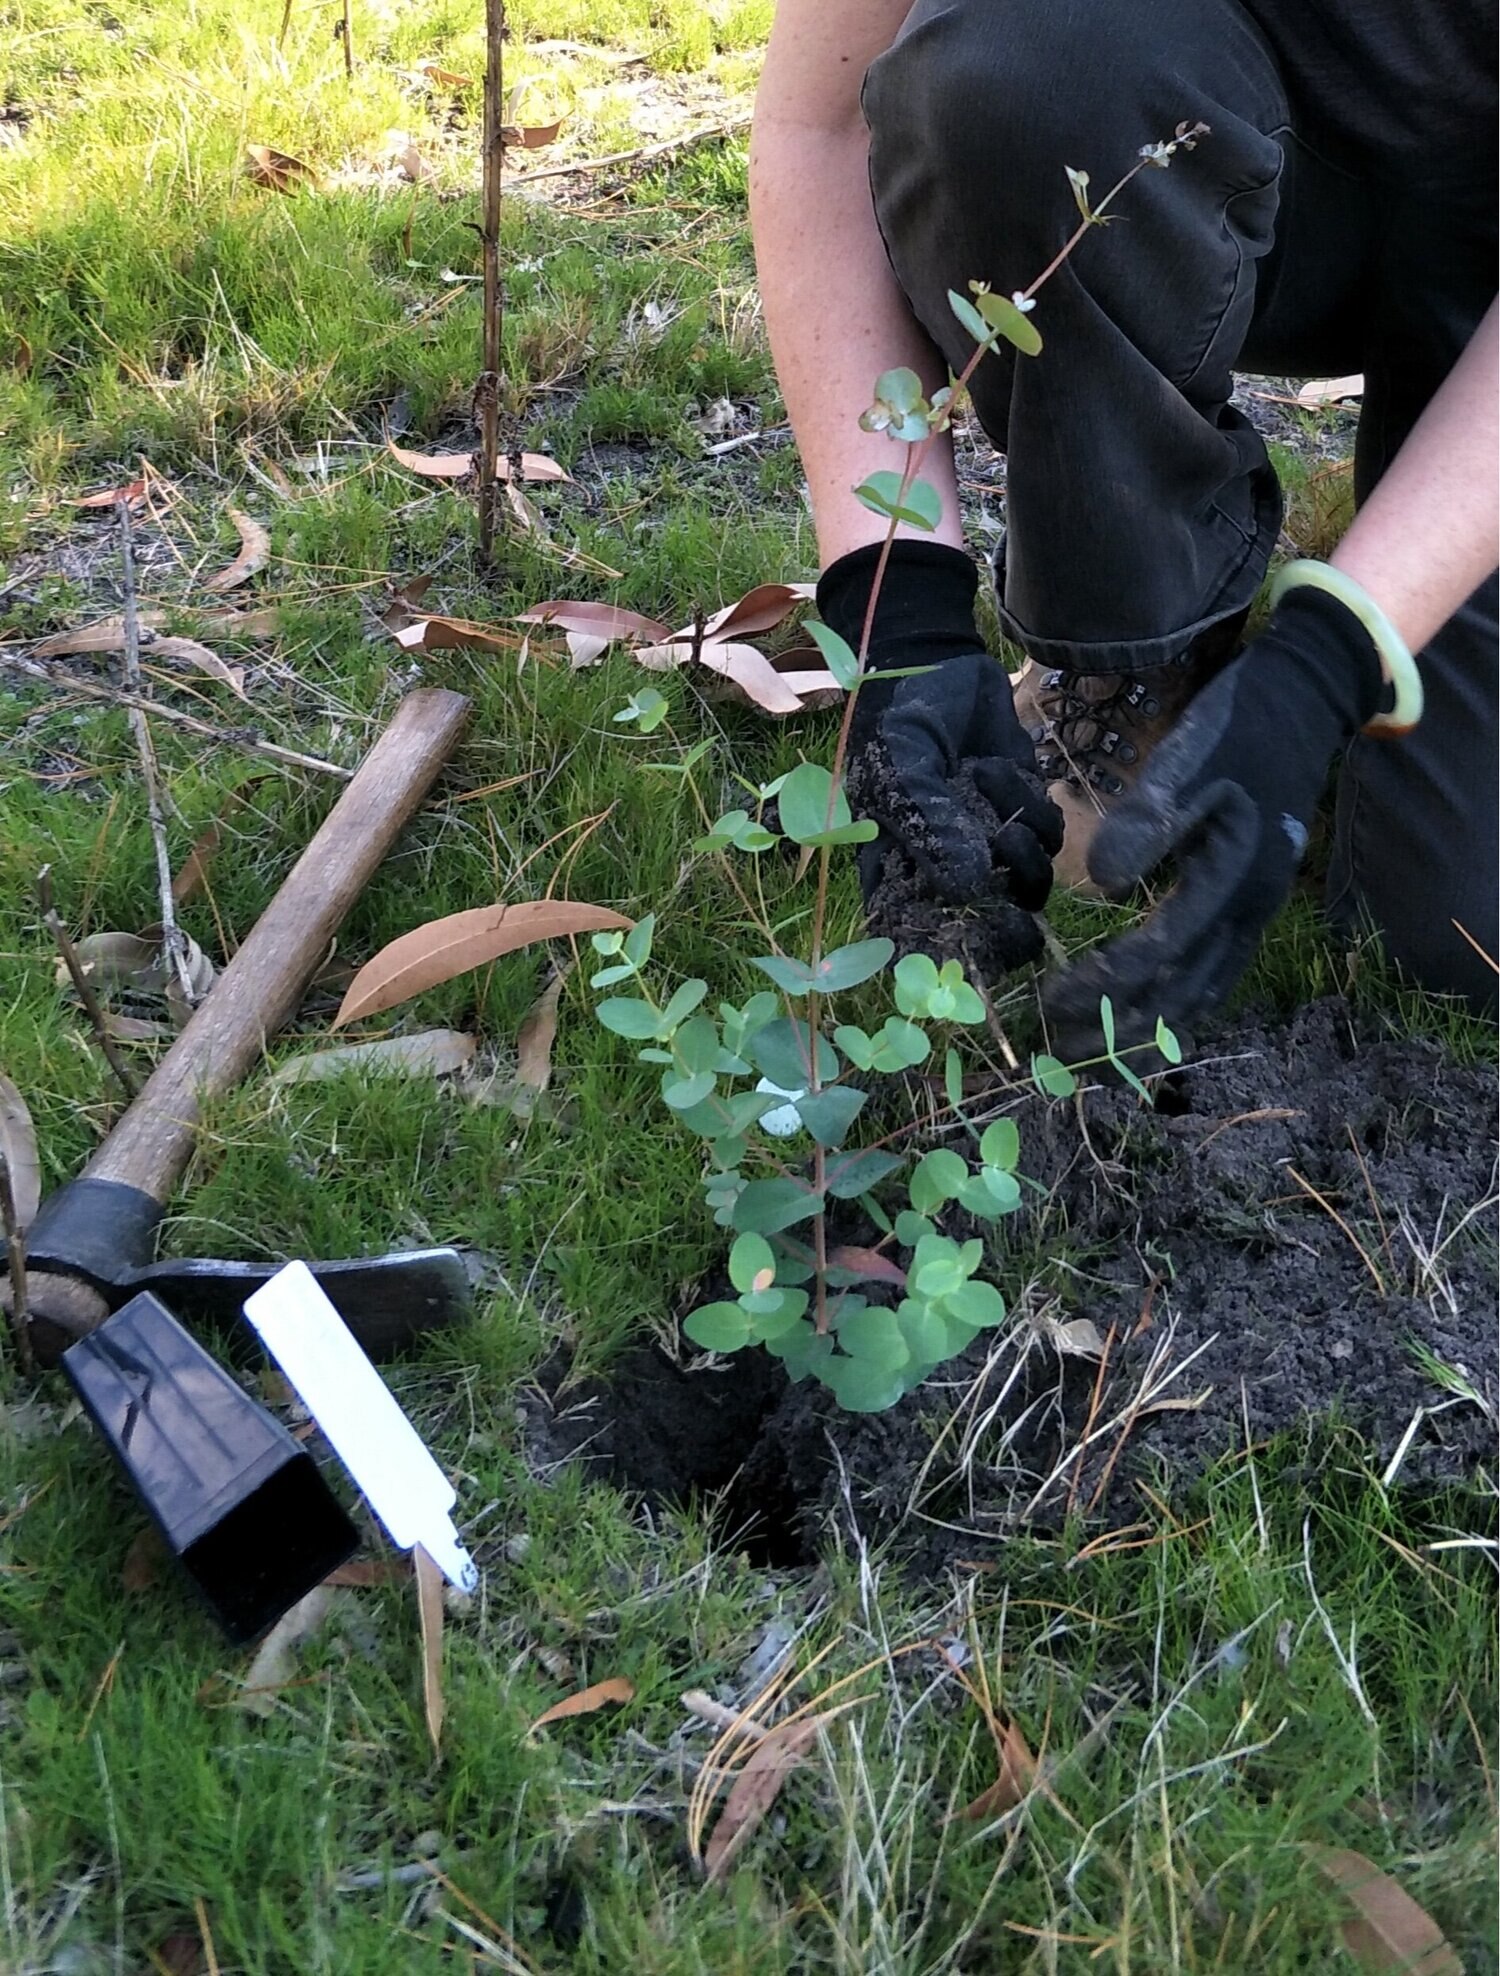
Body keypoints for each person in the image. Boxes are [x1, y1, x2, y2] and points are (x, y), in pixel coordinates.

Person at [748, 0, 1498, 1056]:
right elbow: (815, 129)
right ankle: (1136, 657)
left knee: (1461, 937)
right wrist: (895, 606)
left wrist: (1333, 654)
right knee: (1022, 75)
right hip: (1223, 136)